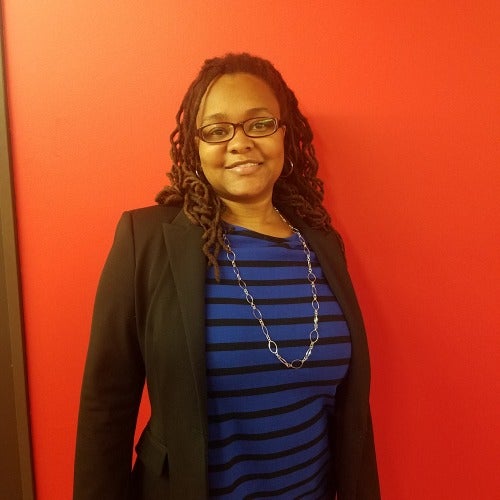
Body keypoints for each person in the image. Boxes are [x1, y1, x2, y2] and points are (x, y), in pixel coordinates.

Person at [74, 52, 380, 499]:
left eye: (259, 124)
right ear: (195, 148)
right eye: (217, 130)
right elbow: (106, 407)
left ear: (284, 135)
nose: (240, 143)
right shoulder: (148, 239)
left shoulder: (323, 246)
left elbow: (349, 415)